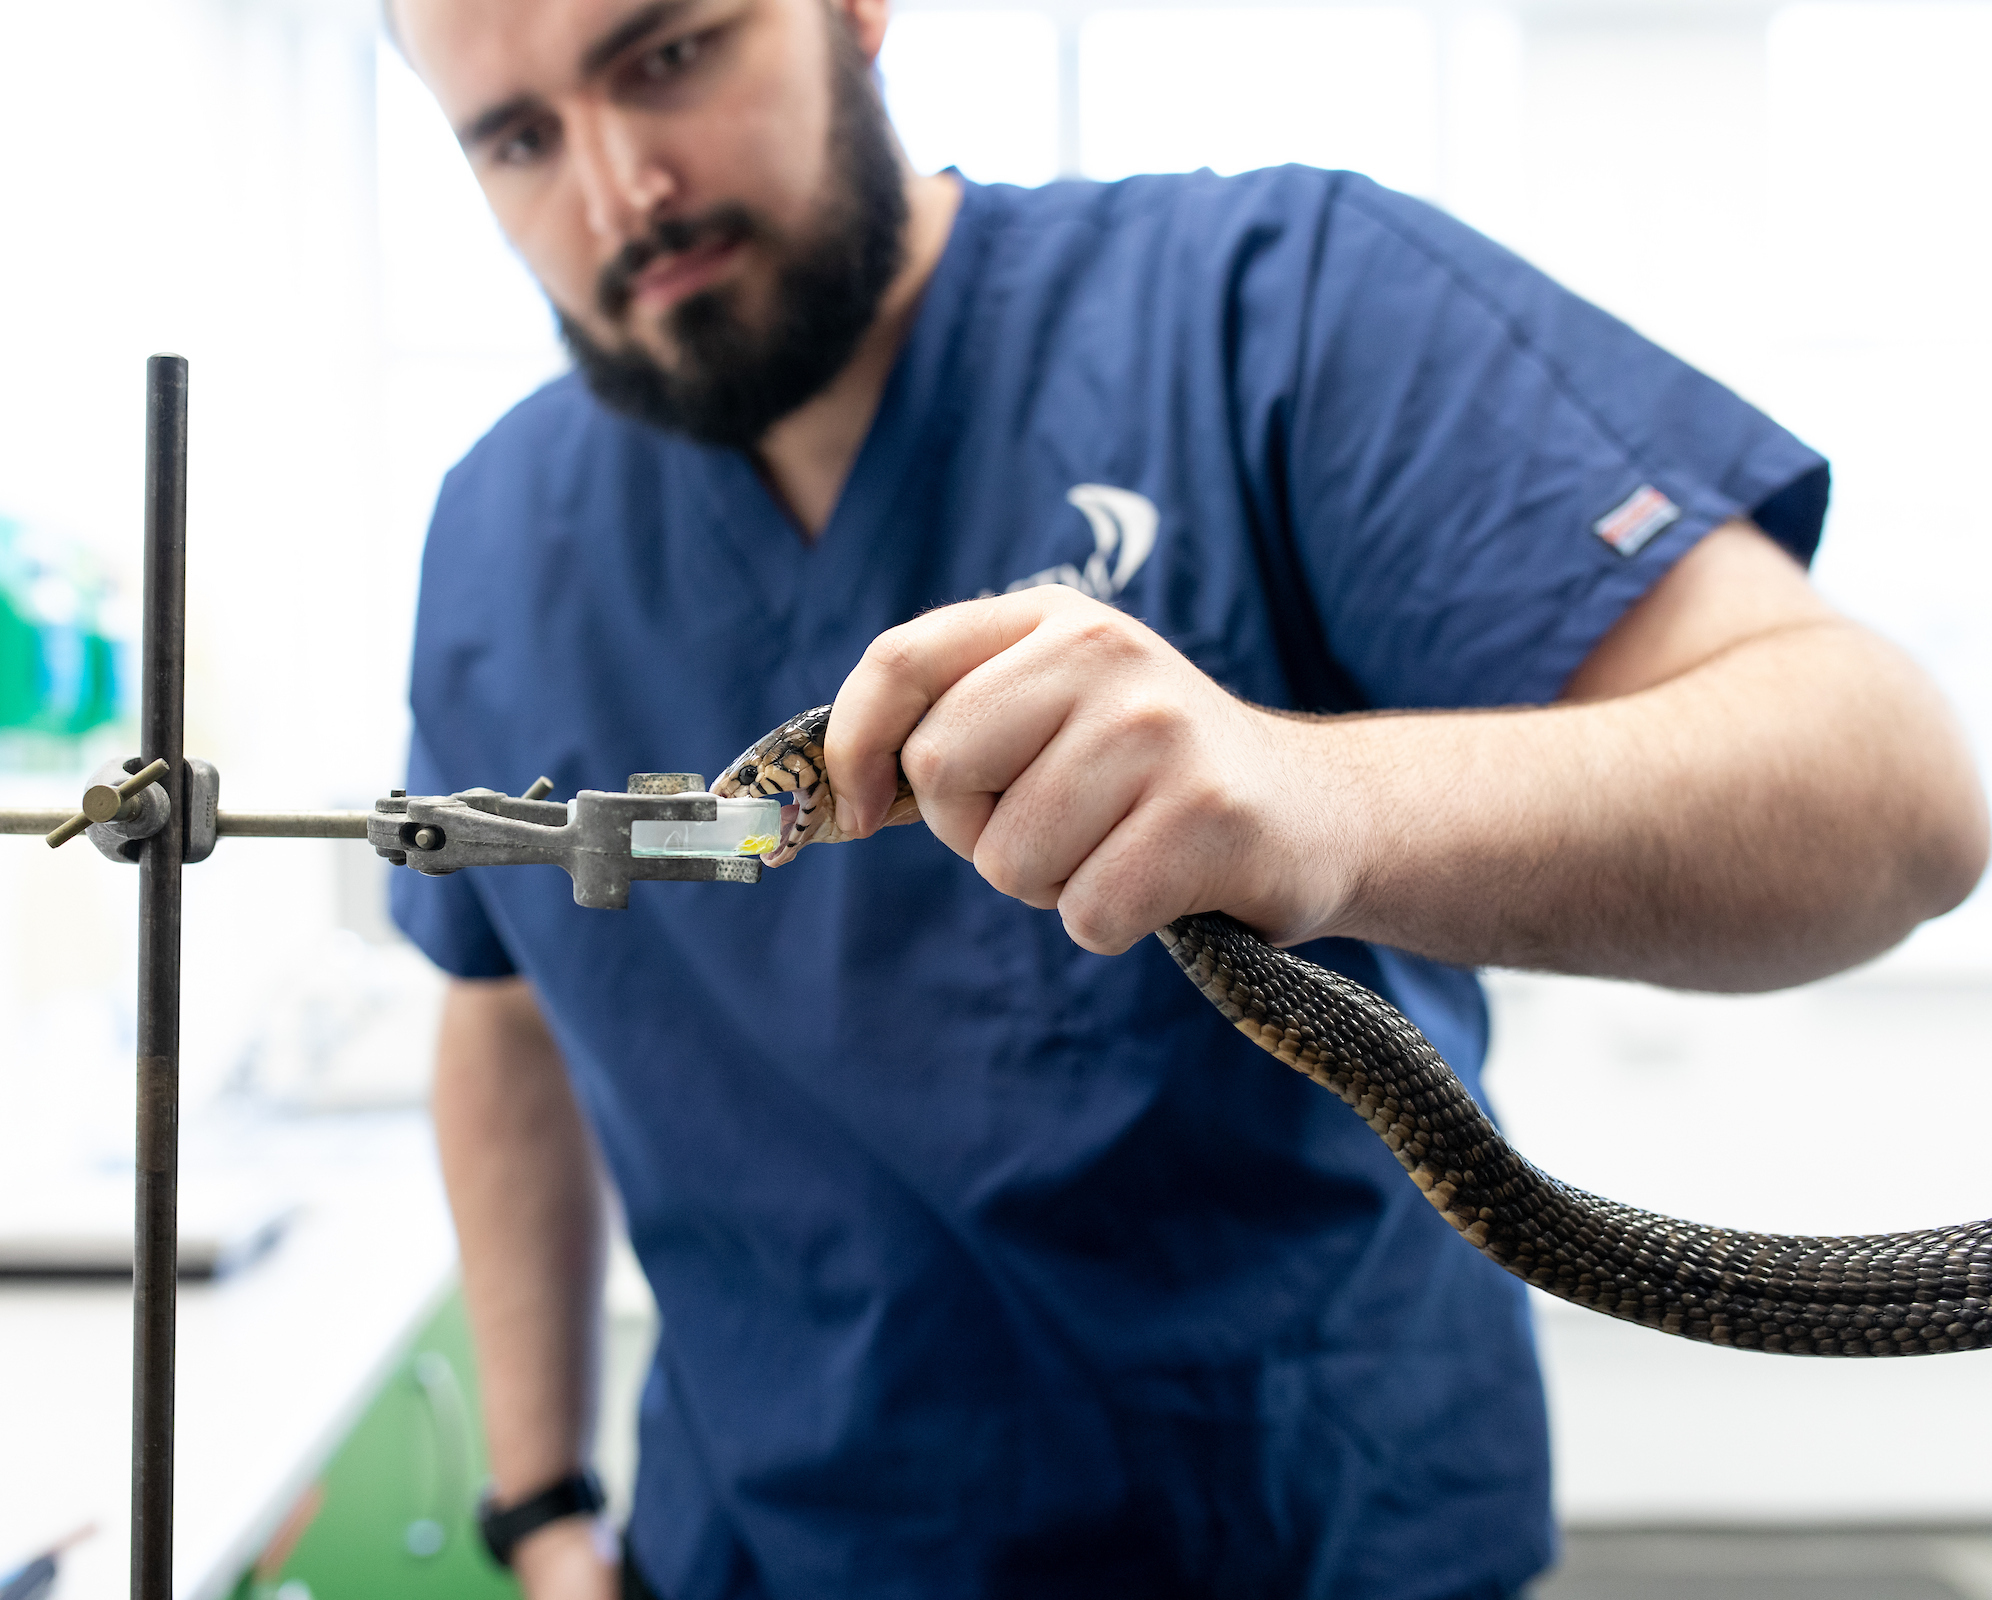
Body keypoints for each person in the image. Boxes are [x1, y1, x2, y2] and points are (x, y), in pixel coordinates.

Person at [382, 2, 1991, 1597]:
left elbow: (1888, 789)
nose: (618, 189)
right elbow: (506, 1006)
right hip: (764, 1548)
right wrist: (545, 1517)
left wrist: (1318, 796)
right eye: (516, 136)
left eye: (668, 57)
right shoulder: (493, 534)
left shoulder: (1275, 304)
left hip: (1304, 1536)